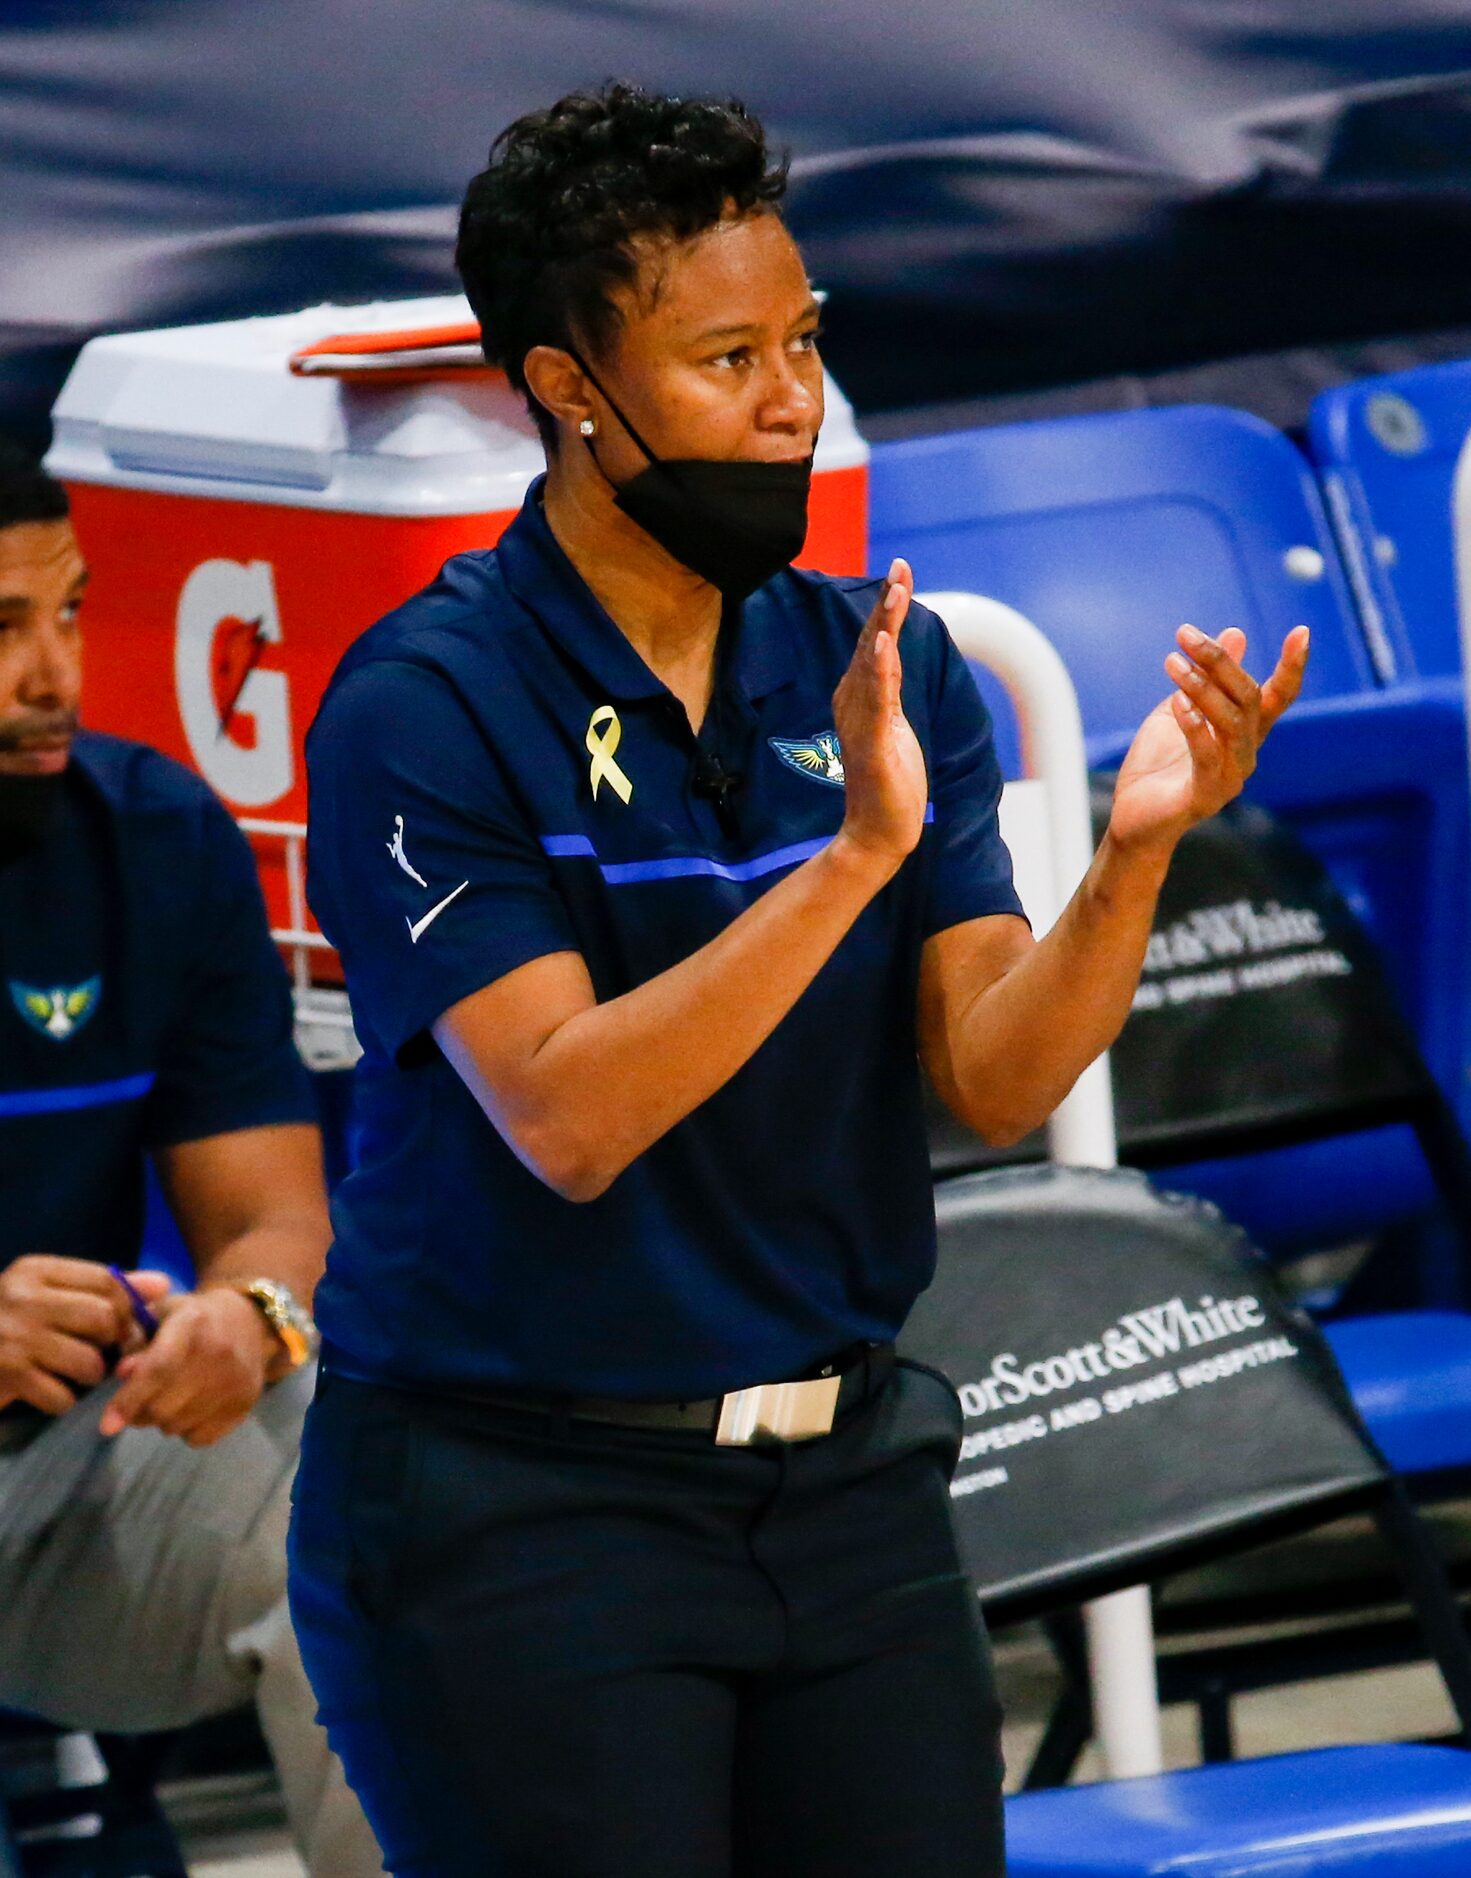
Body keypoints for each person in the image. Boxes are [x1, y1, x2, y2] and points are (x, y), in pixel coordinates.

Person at [289, 83, 1310, 1878]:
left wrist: (1137, 850)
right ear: (565, 390)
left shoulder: (881, 668)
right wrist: (850, 863)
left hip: (844, 1484)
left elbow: (996, 1077)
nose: (790, 401)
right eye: (728, 356)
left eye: (806, 343)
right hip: (520, 1505)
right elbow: (569, 1116)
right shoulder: (423, 702)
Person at [0, 442, 383, 1877]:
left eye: (73, 612)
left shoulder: (152, 835)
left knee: (369, 1515)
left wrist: (252, 1316)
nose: (54, 676)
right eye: (0, 631)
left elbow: (275, 1219)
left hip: (60, 1478)